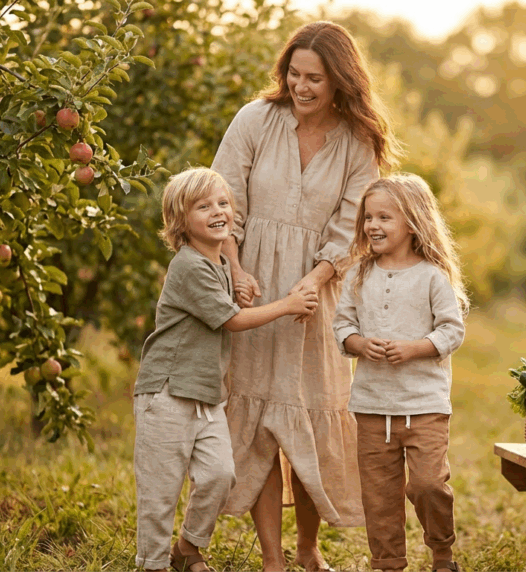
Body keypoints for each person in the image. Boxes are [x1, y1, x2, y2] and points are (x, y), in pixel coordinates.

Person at [210, 20, 402, 572]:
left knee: (310, 416)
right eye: (294, 74)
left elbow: (352, 224)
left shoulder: (357, 140)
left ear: (340, 80)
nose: (302, 86)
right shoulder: (255, 119)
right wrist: (237, 270)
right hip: (250, 286)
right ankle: (273, 558)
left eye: (314, 77)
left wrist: (316, 280)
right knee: (260, 418)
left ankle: (308, 548)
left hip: (318, 293)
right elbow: (225, 199)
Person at [133, 168, 318, 572]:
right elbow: (232, 321)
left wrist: (239, 279)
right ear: (181, 223)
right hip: (166, 393)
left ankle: (188, 547)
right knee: (160, 491)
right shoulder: (189, 266)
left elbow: (232, 306)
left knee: (220, 475)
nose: (218, 212)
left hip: (206, 394)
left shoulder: (217, 263)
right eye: (203, 207)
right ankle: (152, 563)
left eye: (223, 203)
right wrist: (287, 305)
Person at [332, 173, 468, 572]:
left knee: (428, 485)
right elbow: (342, 326)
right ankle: (387, 563)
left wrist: (414, 348)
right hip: (372, 406)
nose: (373, 225)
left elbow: (452, 329)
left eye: (385, 217)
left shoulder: (431, 275)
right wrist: (359, 344)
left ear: (412, 222)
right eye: (369, 217)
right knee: (379, 495)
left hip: (424, 405)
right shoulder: (357, 275)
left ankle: (442, 553)